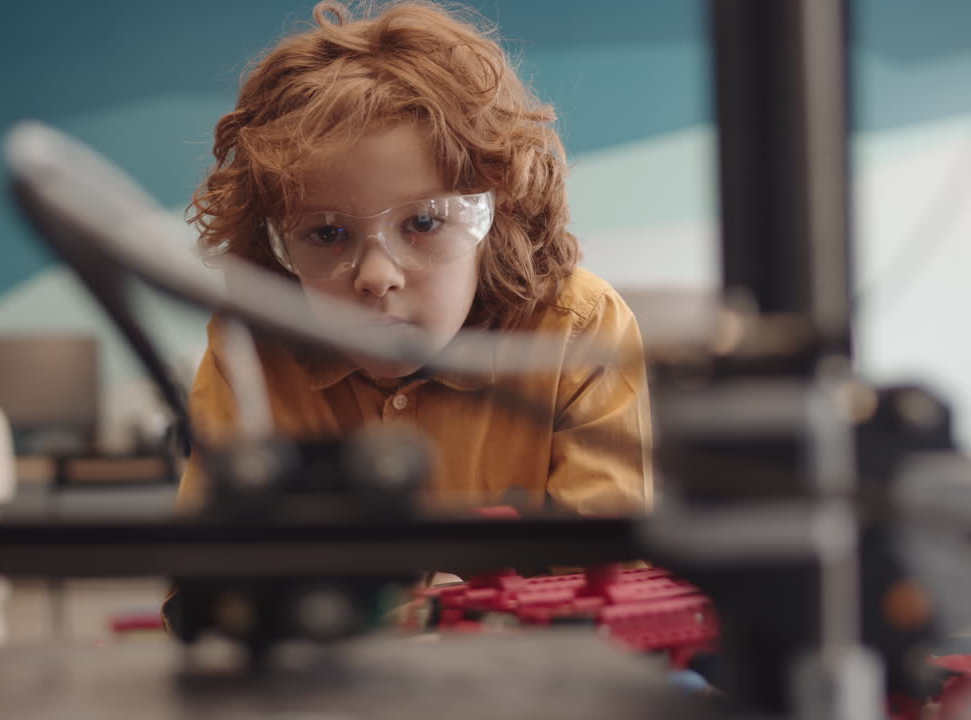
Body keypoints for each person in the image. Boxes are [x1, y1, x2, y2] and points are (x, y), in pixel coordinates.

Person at [177, 0, 652, 519]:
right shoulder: (250, 350)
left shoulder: (579, 332)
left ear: (501, 208)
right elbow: (208, 585)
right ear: (276, 241)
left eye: (423, 223)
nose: (376, 278)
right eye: (327, 232)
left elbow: (609, 579)